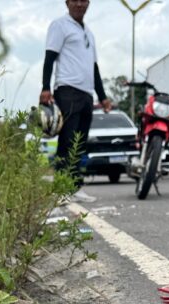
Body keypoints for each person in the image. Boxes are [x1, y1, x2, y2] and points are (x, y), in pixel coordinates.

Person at [40, 0, 112, 202]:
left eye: (84, 0)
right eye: (75, 0)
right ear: (67, 2)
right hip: (67, 90)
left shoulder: (89, 32)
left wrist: (103, 96)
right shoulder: (60, 25)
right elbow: (49, 57)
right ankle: (61, 189)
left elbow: (94, 68)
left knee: (80, 143)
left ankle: (75, 186)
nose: (80, 4)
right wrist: (45, 86)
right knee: (67, 140)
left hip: (87, 93)